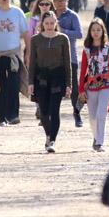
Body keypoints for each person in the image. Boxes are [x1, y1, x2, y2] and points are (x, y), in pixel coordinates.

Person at [0, 0, 30, 126]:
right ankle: (1, 118)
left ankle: (13, 115)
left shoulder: (17, 12)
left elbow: (26, 34)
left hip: (13, 55)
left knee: (14, 85)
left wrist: (28, 52)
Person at [28, 11, 71, 153]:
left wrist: (69, 84)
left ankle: (52, 140)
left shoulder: (63, 39)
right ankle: (48, 135)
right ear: (42, 24)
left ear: (56, 23)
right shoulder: (35, 39)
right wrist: (30, 82)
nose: (49, 26)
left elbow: (67, 63)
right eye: (46, 23)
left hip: (57, 78)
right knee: (44, 111)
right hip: (41, 78)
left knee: (54, 109)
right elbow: (32, 62)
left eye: (52, 23)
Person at [79, 17, 109, 152]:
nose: (96, 32)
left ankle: (100, 142)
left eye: (98, 30)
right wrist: (81, 89)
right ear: (90, 32)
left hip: (106, 84)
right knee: (92, 117)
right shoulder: (86, 49)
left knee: (101, 114)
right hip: (91, 85)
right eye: (93, 30)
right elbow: (83, 70)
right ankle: (96, 137)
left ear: (103, 31)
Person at [52, 0, 85, 127]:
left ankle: (77, 113)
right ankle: (52, 116)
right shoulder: (50, 16)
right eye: (57, 0)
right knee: (54, 88)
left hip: (70, 58)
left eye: (62, 0)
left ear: (67, 0)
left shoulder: (72, 16)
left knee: (73, 89)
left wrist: (62, 31)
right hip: (53, 59)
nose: (60, 3)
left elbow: (79, 34)